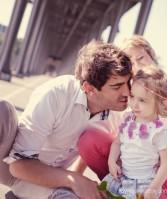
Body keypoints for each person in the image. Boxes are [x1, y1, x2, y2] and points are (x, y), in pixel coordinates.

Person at [78, 35, 167, 199]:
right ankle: (115, 191)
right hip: (132, 166)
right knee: (89, 138)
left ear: (151, 54)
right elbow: (111, 136)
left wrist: (159, 149)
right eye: (131, 62)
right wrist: (73, 178)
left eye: (141, 57)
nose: (138, 64)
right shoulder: (130, 94)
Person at [0, 40, 132, 199]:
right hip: (15, 167)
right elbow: (18, 166)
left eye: (128, 83)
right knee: (2, 109)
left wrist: (78, 181)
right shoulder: (57, 94)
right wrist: (74, 180)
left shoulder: (118, 113)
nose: (127, 92)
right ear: (89, 88)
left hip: (54, 178)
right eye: (117, 87)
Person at [104, 66, 167, 199]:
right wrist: (111, 162)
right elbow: (117, 143)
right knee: (101, 194)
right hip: (120, 176)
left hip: (142, 184)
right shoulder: (128, 120)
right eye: (132, 96)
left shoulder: (159, 132)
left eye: (142, 100)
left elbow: (166, 163)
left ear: (159, 103)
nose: (134, 104)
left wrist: (155, 187)